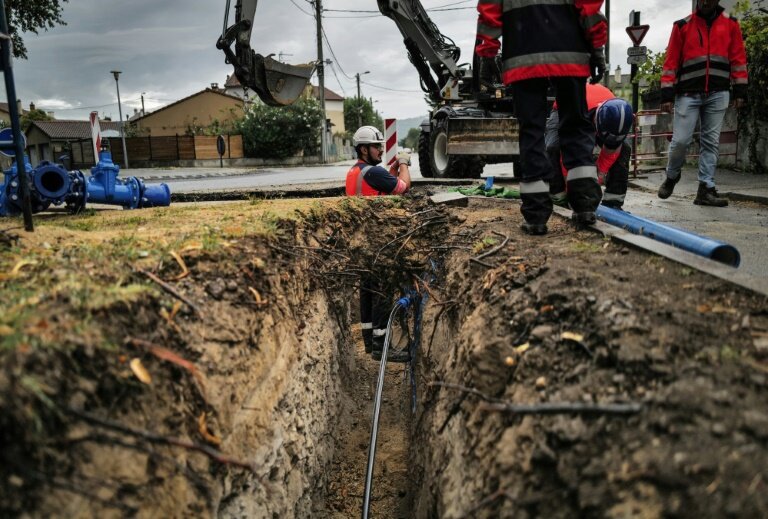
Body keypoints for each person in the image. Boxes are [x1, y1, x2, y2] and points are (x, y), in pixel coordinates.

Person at [475, 0, 607, 235]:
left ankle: (536, 216)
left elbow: (490, 9)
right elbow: (589, 6)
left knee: (531, 132)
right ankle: (585, 205)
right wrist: (597, 48)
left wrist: (488, 53)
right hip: (570, 53)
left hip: (523, 54)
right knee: (575, 124)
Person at [657, 0, 748, 207]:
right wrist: (667, 95)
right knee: (680, 141)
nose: (706, 1)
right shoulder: (682, 26)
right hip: (687, 94)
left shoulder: (731, 24)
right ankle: (672, 176)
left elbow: (738, 60)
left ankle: (706, 188)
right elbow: (671, 62)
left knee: (711, 142)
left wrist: (740, 91)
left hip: (718, 92)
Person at [345, 125, 412, 362]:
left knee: (368, 291)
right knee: (382, 292)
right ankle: (383, 348)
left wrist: (391, 172)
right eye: (376, 147)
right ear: (364, 149)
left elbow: (382, 187)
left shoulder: (356, 171)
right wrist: (403, 163)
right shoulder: (373, 172)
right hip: (377, 242)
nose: (381, 151)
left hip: (363, 241)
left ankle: (370, 342)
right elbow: (403, 187)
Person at [546, 83, 635, 210]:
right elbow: (567, 155)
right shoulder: (575, 116)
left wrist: (598, 176)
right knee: (553, 147)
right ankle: (558, 196)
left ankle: (613, 200)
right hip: (565, 109)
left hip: (595, 108)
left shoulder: (620, 117)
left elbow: (612, 151)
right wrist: (572, 191)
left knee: (624, 148)